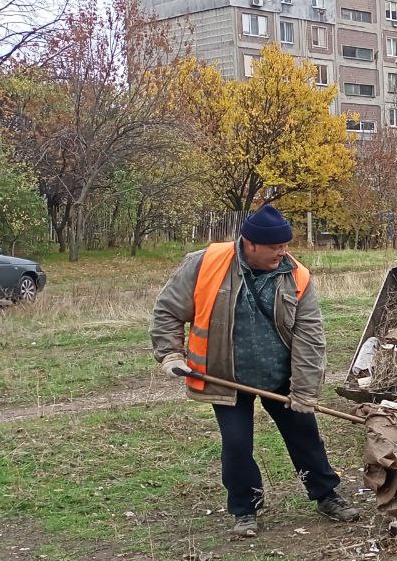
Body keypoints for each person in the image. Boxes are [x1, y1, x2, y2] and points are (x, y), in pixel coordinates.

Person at [150, 202, 359, 538]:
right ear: (250, 244)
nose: (283, 252)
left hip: (280, 378)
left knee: (305, 437)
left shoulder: (297, 276)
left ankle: (325, 495)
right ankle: (245, 509)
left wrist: (303, 391)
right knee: (236, 444)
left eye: (286, 245)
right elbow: (168, 309)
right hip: (225, 375)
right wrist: (170, 354)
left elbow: (310, 338)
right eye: (276, 247)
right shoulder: (206, 263)